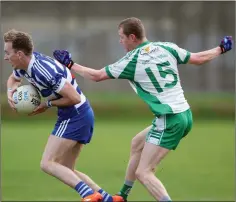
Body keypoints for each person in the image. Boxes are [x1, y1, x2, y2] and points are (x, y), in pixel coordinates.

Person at [53, 17, 233, 201]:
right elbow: (198, 59)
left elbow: (97, 76)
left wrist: (70, 64)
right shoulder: (166, 47)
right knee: (137, 143)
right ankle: (122, 196)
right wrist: (220, 49)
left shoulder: (132, 60)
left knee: (145, 173)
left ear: (132, 37)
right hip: (184, 114)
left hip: (169, 119)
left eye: (121, 37)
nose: (120, 41)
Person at [4, 29, 124, 202]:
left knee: (47, 163)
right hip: (81, 113)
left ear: (20, 54)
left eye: (8, 53)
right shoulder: (24, 66)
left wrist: (47, 105)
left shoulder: (43, 70)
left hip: (75, 114)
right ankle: (109, 200)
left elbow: (73, 97)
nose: (6, 57)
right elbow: (13, 79)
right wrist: (10, 91)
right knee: (66, 168)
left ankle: (89, 195)